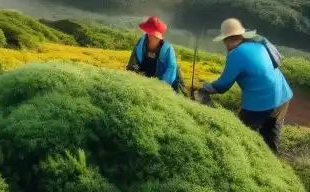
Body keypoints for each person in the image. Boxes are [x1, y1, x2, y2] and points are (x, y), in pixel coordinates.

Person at [199, 18, 293, 154]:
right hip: (282, 97)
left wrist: (206, 88)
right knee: (271, 139)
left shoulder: (236, 54)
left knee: (240, 135)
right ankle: (272, 162)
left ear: (227, 39)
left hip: (261, 104)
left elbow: (223, 85)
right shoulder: (257, 44)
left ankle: (243, 160)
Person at [126, 16, 182, 92]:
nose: (152, 37)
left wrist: (161, 86)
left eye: (155, 36)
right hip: (144, 77)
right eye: (150, 34)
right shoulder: (141, 43)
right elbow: (133, 63)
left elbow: (171, 69)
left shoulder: (168, 49)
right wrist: (136, 76)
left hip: (163, 81)